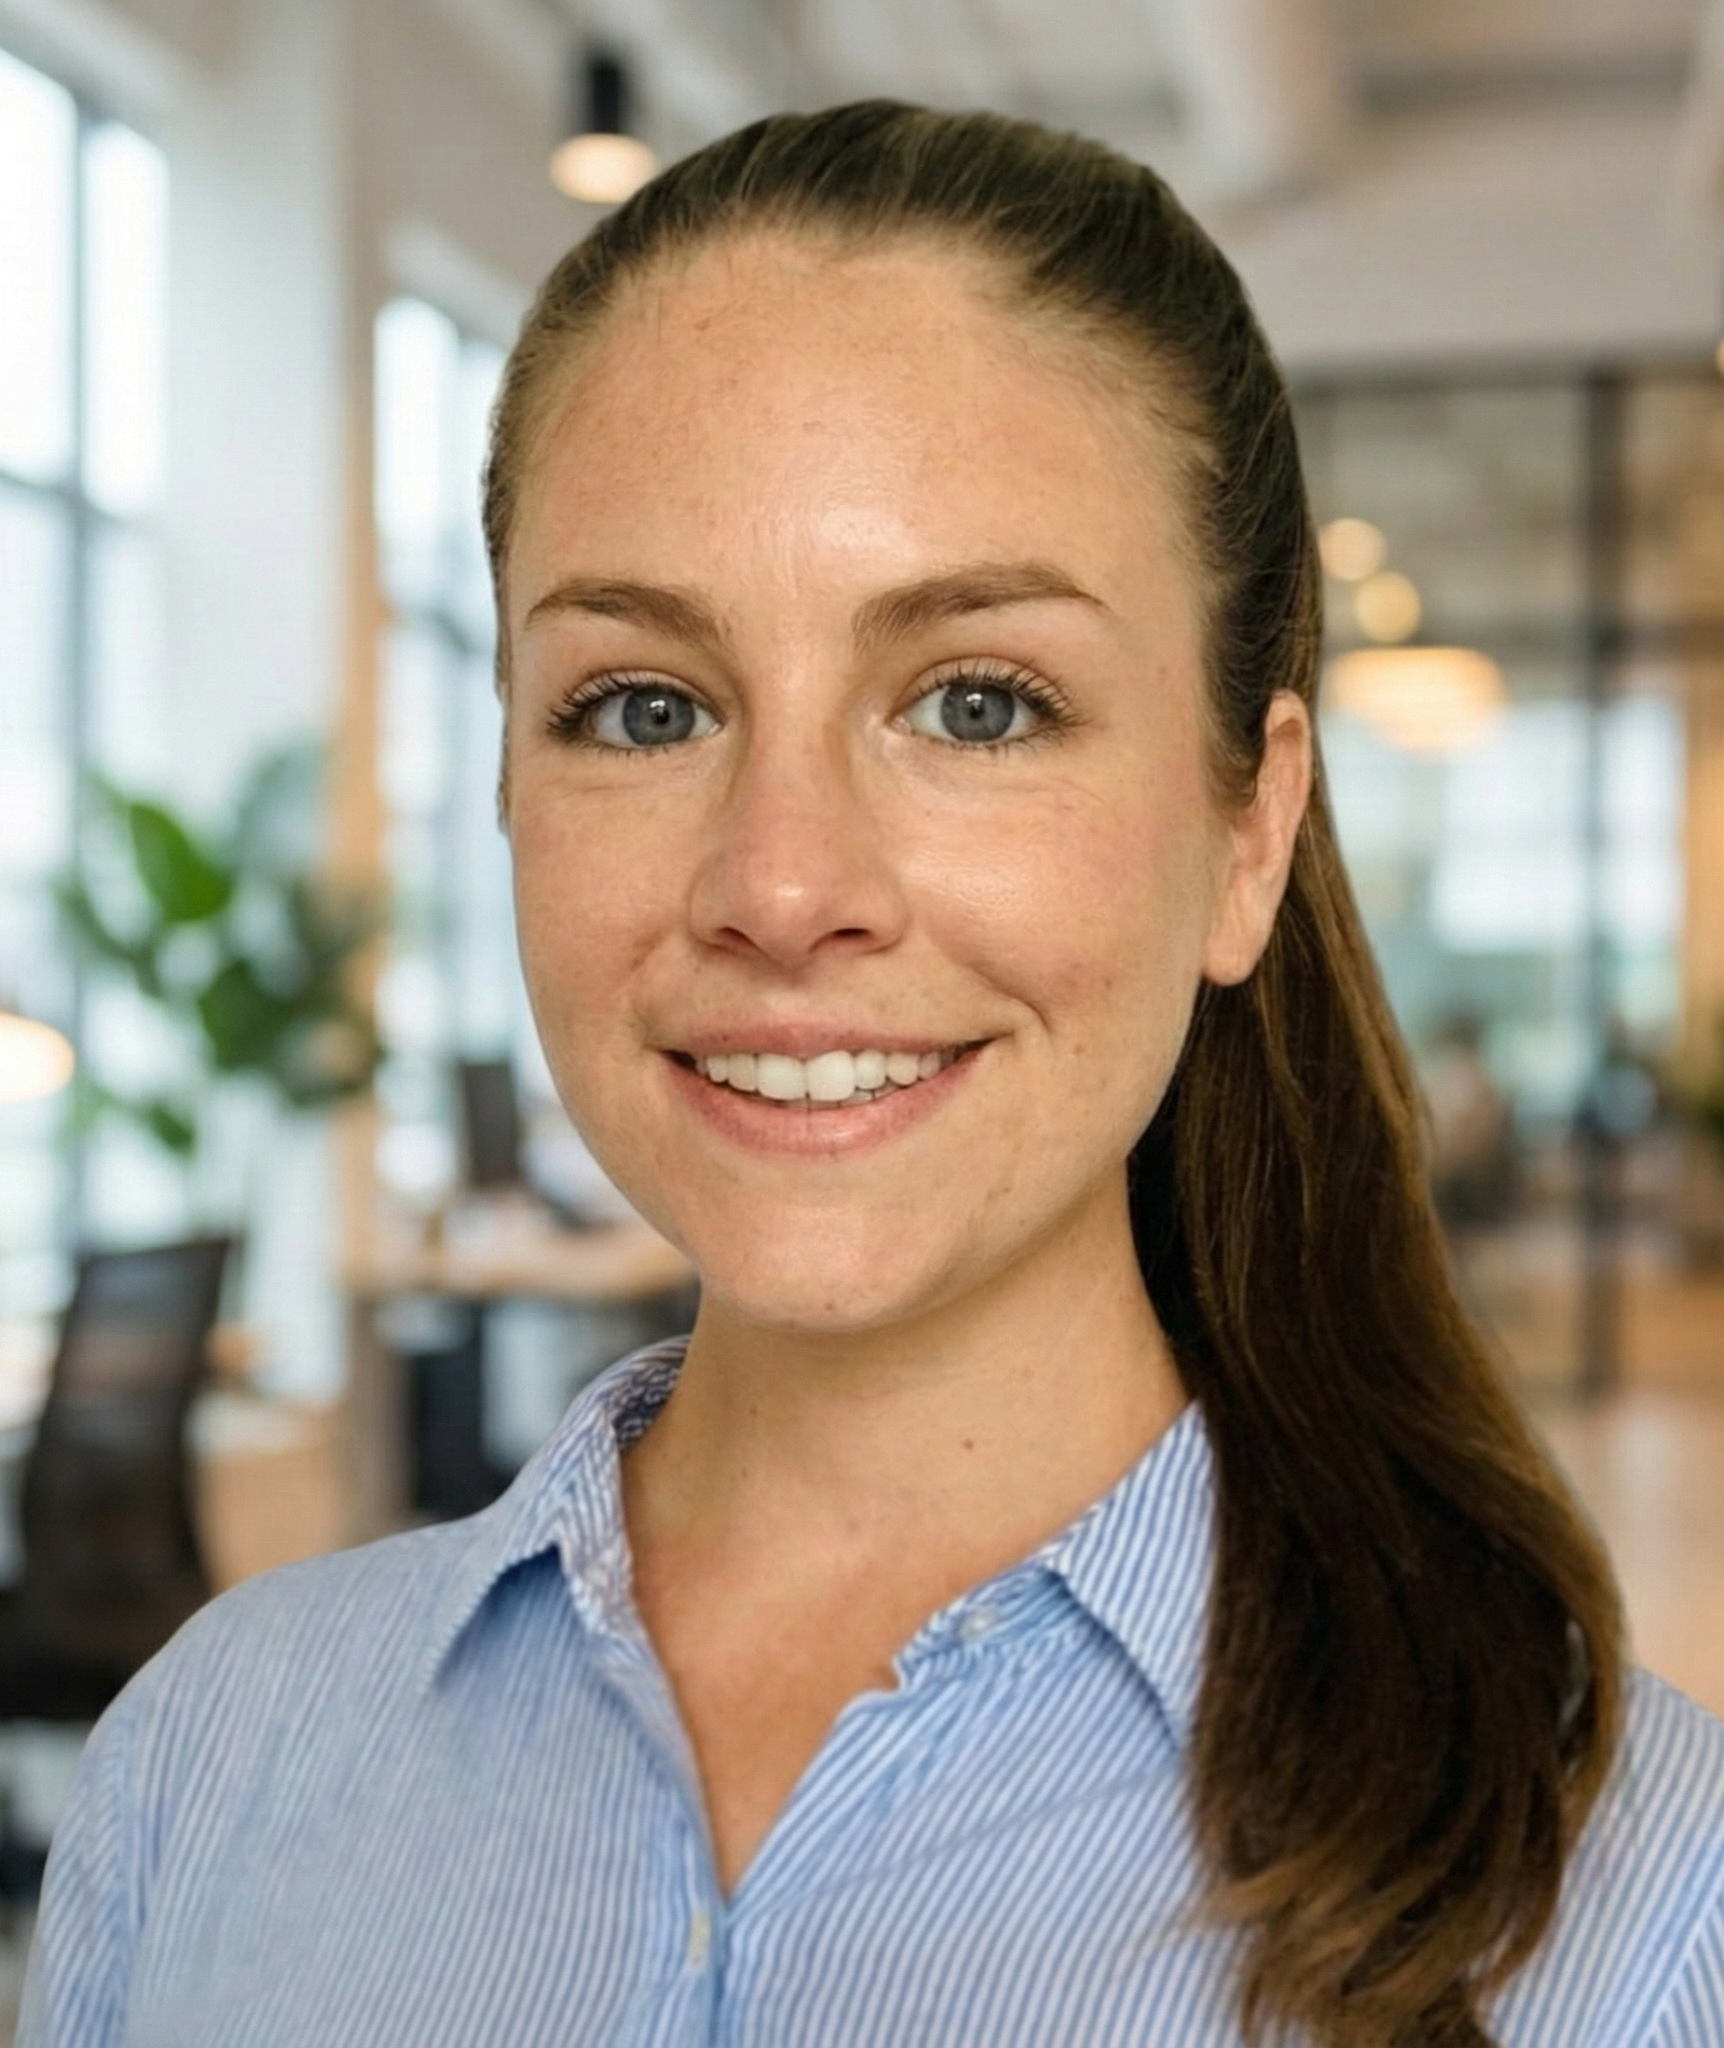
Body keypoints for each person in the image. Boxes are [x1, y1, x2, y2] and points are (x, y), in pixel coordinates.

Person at [22, 103, 1724, 2048]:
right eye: (642, 707)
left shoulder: (1638, 1903)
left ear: (1247, 833)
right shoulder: (207, 1774)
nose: (781, 885)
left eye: (976, 703)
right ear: (505, 783)